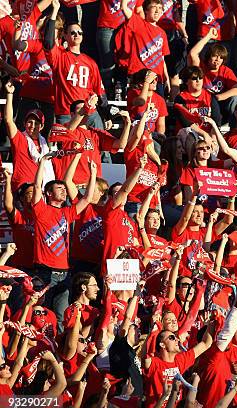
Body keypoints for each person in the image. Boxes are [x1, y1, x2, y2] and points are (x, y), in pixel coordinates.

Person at [31, 151, 97, 327]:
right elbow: (37, 187)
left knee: (61, 318)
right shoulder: (41, 209)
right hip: (45, 272)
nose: (64, 191)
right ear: (49, 194)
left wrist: (93, 174)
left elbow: (87, 198)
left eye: (64, 188)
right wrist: (43, 162)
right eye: (59, 188)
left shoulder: (67, 213)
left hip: (65, 272)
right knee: (40, 315)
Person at [44, 0, 106, 129]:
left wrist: (106, 116)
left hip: (88, 113)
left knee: (100, 143)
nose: (77, 35)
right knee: (68, 148)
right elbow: (48, 43)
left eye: (79, 32)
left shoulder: (90, 62)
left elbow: (100, 93)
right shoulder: (59, 57)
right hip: (66, 113)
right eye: (72, 32)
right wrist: (55, 11)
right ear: (65, 36)